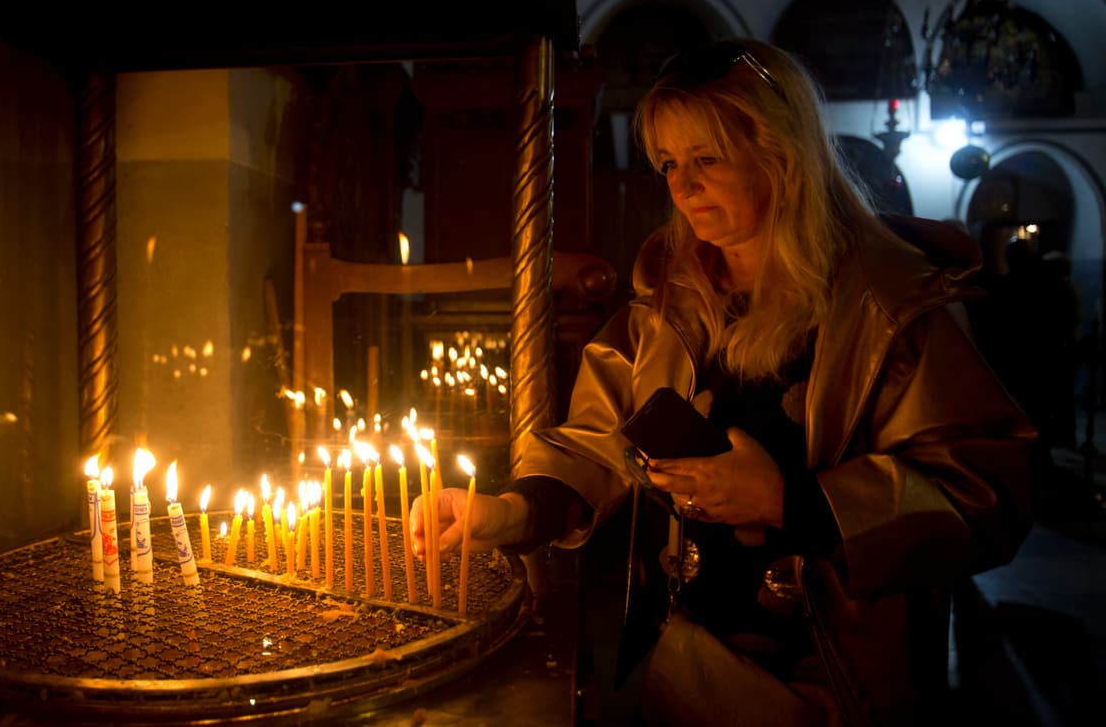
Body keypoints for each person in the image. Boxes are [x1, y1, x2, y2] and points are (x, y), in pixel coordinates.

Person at [411, 39, 1036, 725]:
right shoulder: (672, 296)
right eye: (670, 164)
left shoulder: (891, 308)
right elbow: (597, 437)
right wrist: (514, 510)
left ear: (782, 155)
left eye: (706, 159)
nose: (682, 187)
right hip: (680, 666)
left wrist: (790, 501)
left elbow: (985, 491)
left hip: (829, 681)